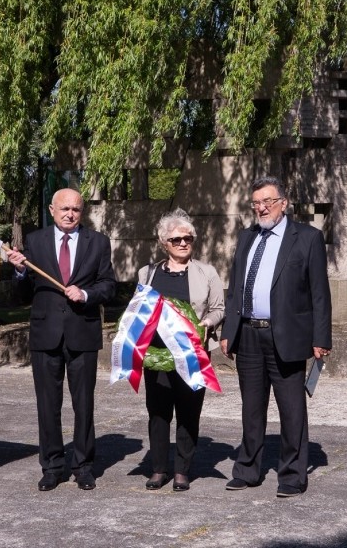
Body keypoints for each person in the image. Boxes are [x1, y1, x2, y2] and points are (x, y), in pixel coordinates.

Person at [220, 176, 332, 498]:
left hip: (287, 336)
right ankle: (247, 470)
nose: (261, 208)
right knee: (251, 409)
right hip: (249, 337)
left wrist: (321, 337)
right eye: (256, 203)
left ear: (283, 202)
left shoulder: (307, 238)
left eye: (267, 201)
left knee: (292, 409)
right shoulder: (246, 238)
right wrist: (229, 331)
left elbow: (320, 294)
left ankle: (293, 476)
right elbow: (235, 288)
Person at [7, 188, 116, 492]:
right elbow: (25, 289)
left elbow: (109, 285)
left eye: (76, 210)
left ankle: (83, 467)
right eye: (64, 209)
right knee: (47, 405)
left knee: (83, 404)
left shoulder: (99, 243)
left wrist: (86, 294)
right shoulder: (35, 241)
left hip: (83, 332)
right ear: (52, 209)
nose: (70, 214)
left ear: (83, 212)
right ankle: (52, 466)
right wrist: (18, 270)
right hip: (46, 334)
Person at [137, 208, 225, 492]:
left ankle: (182, 471)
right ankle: (158, 469)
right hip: (157, 355)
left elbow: (219, 308)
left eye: (188, 238)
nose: (183, 243)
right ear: (164, 242)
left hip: (192, 355)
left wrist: (207, 322)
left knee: (189, 412)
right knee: (158, 413)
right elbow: (139, 311)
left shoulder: (207, 272)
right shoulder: (146, 273)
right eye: (176, 239)